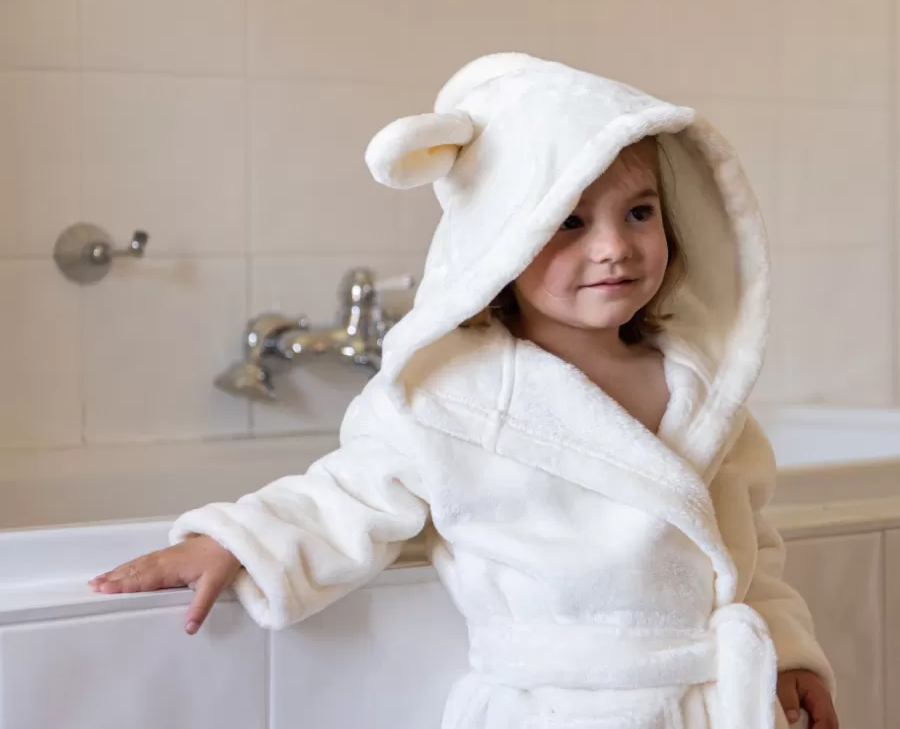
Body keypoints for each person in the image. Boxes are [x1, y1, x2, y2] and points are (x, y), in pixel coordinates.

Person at [91, 53, 838, 729]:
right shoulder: (450, 400)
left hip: (715, 703)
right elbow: (344, 497)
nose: (614, 246)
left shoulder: (700, 390)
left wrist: (790, 650)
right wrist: (237, 541)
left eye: (639, 212)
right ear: (500, 241)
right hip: (560, 708)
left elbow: (748, 548)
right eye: (569, 221)